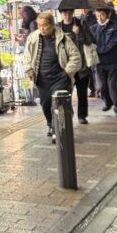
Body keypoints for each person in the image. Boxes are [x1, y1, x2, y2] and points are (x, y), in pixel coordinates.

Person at [25, 11, 84, 141]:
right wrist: (29, 69)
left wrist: (67, 72)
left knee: (57, 104)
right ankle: (50, 125)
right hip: (42, 79)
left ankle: (56, 130)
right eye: (39, 25)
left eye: (45, 25)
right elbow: (27, 56)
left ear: (51, 25)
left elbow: (76, 57)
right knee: (45, 104)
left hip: (59, 78)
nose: (42, 28)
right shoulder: (33, 38)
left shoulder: (63, 38)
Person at [57, 8, 93, 124]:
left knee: (82, 93)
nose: (67, 15)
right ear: (61, 14)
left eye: (69, 13)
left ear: (72, 13)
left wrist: (79, 33)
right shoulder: (58, 28)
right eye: (64, 13)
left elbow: (89, 41)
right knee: (66, 93)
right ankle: (68, 115)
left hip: (81, 66)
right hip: (66, 67)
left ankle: (82, 116)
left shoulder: (81, 24)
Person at [91, 6, 117, 117]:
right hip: (99, 63)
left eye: (102, 15)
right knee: (101, 87)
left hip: (112, 62)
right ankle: (107, 102)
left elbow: (113, 43)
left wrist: (98, 51)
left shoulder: (116, 27)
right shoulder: (94, 28)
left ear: (107, 15)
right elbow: (89, 42)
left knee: (113, 86)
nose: (99, 18)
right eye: (97, 16)